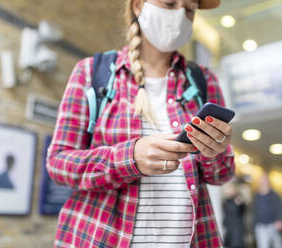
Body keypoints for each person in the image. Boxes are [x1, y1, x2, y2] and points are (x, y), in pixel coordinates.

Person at [46, 0, 235, 247]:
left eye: (189, 10)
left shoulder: (203, 81)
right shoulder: (91, 72)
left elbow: (222, 174)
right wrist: (129, 157)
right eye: (169, 3)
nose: (179, 16)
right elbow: (58, 163)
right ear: (138, 6)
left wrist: (216, 150)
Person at [254, 174, 282, 248]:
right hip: (260, 226)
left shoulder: (275, 195)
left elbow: (279, 208)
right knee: (263, 246)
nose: (263, 182)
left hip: (274, 224)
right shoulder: (256, 196)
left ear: (268, 181)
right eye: (262, 180)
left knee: (278, 245)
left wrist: (280, 220)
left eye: (265, 180)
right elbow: (253, 211)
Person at [222, 182, 246, 248]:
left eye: (231, 188)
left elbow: (243, 211)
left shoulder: (239, 198)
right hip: (229, 227)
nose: (229, 190)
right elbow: (226, 212)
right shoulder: (225, 200)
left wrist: (239, 204)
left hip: (237, 228)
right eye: (228, 188)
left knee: (236, 245)